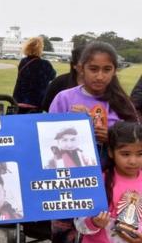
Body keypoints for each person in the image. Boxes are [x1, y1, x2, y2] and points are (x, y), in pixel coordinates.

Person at [49, 41, 139, 243]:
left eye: (107, 69)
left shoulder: (121, 103)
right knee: (64, 234)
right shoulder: (64, 98)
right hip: (67, 183)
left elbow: (135, 141)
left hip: (110, 186)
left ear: (115, 70)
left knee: (103, 233)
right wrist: (69, 124)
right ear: (80, 68)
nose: (100, 76)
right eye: (93, 69)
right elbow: (46, 139)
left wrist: (110, 138)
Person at [74, 121, 142, 242]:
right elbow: (80, 224)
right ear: (111, 152)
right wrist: (94, 222)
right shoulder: (97, 182)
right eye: (125, 154)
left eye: (140, 154)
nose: (133, 161)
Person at [13, 36, 56, 113]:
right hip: (36, 103)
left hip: (19, 101)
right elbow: (53, 76)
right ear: (40, 49)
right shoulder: (45, 64)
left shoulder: (23, 62)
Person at [41, 46, 85, 112]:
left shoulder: (101, 85)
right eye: (84, 62)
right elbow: (47, 105)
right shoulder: (59, 82)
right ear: (74, 65)